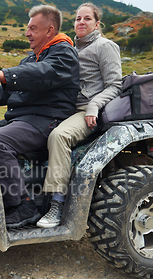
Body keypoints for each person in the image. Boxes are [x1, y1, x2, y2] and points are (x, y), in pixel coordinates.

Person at [0, 5, 80, 229]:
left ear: (49, 31)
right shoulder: (32, 58)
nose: (27, 33)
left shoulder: (63, 54)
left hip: (47, 119)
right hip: (26, 119)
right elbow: (9, 90)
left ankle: (23, 204)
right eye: (27, 28)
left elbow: (42, 74)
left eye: (32, 29)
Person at [36, 2, 122, 228]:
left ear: (97, 23)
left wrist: (94, 105)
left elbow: (115, 86)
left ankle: (57, 204)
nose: (81, 22)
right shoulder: (71, 48)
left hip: (87, 112)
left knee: (59, 136)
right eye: (77, 19)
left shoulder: (106, 46)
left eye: (87, 19)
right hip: (65, 109)